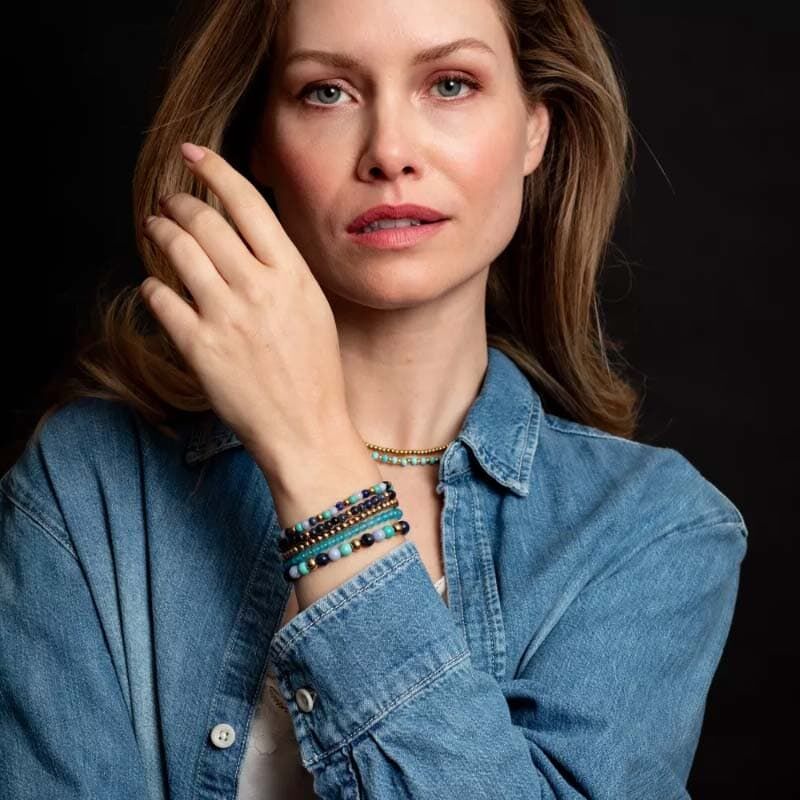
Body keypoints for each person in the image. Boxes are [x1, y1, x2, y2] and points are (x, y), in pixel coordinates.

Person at [0, 0, 748, 798]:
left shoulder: (652, 528)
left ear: (536, 128)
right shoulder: (89, 484)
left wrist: (315, 459)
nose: (390, 152)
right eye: (327, 92)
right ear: (259, 142)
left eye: (450, 84)